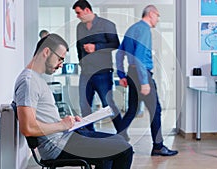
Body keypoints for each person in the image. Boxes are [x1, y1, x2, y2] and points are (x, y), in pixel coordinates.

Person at [13, 33, 133, 168]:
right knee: (124, 149)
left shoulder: (35, 78)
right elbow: (27, 128)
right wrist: (62, 125)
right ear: (46, 52)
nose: (60, 65)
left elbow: (41, 119)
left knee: (117, 140)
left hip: (62, 137)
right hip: (57, 146)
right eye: (60, 59)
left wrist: (66, 122)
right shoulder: (29, 82)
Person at [116, 5, 178, 156]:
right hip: (141, 74)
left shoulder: (132, 29)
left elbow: (119, 54)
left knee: (132, 110)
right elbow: (139, 57)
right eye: (157, 15)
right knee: (156, 110)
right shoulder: (144, 29)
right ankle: (158, 146)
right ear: (151, 14)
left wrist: (122, 75)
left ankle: (115, 142)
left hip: (131, 73)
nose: (157, 19)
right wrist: (144, 81)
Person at [72, 0, 124, 135]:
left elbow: (115, 44)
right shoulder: (80, 27)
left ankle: (123, 134)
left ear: (87, 10)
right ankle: (90, 135)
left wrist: (96, 47)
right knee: (84, 106)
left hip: (103, 73)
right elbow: (79, 47)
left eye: (79, 13)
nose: (77, 16)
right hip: (86, 73)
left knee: (109, 105)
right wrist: (81, 63)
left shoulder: (107, 25)